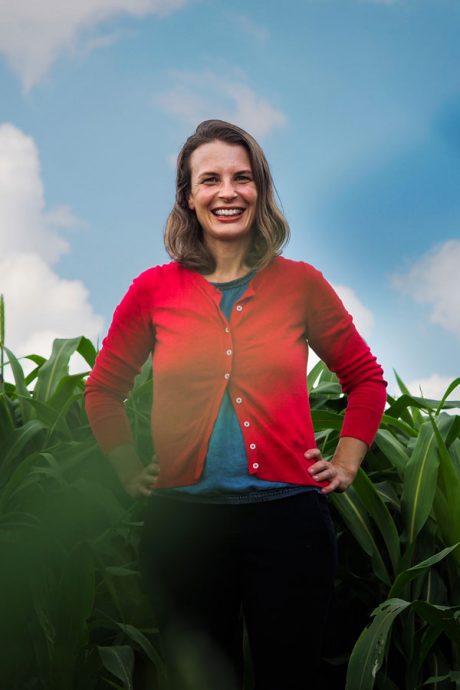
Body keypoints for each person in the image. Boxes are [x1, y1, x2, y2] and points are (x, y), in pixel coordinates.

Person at [85, 119, 387, 690]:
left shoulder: (301, 285)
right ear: (189, 197)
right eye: (211, 179)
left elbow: (365, 379)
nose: (228, 192)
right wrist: (126, 468)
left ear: (260, 191)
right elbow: (103, 390)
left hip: (289, 522)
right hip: (183, 526)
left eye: (242, 178)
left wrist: (347, 462)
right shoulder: (152, 290)